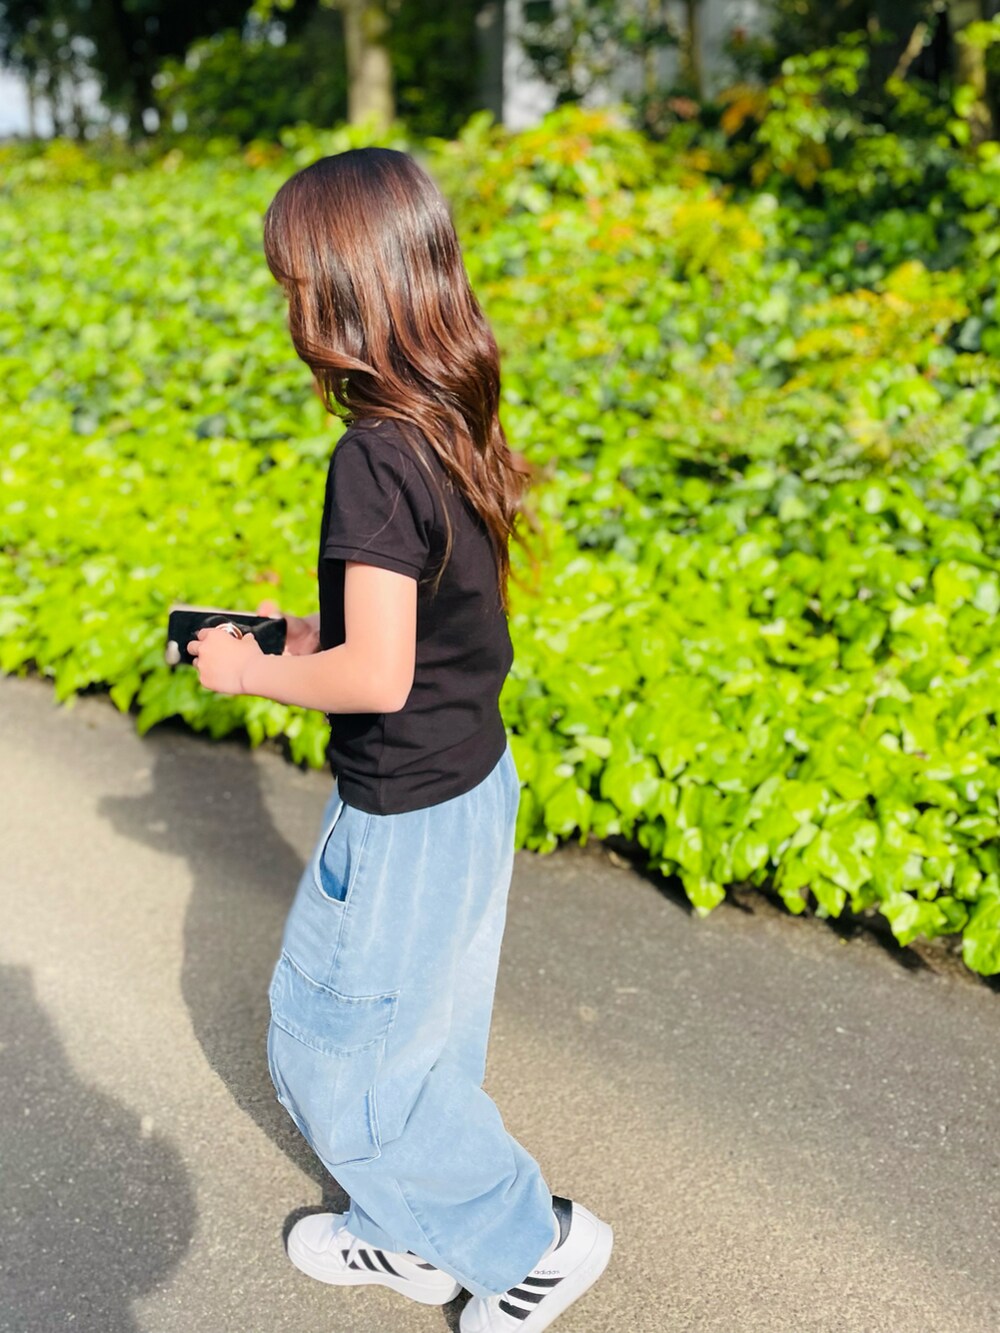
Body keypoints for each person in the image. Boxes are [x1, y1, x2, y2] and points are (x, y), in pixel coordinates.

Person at [186, 146, 613, 1332]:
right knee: (422, 1039)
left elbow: (374, 673)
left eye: (292, 287)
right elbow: (424, 616)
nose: (287, 310)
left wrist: (254, 669)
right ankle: (408, 1235)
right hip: (471, 784)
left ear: (338, 296)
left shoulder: (369, 453)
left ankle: (532, 1245)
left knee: (338, 1063)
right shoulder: (443, 415)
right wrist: (315, 626)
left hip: (404, 813)